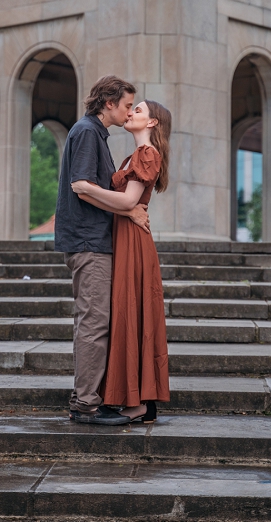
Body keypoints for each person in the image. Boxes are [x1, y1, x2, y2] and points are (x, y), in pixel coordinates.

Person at [55, 75, 150, 426]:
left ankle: (93, 399)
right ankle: (84, 406)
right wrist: (128, 209)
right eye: (127, 105)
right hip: (87, 242)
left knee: (97, 321)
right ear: (108, 103)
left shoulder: (95, 134)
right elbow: (81, 186)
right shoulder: (86, 132)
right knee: (93, 323)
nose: (129, 112)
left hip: (95, 241)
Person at [71, 99, 171, 423]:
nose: (131, 114)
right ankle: (133, 397)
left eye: (138, 110)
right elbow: (128, 203)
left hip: (134, 241)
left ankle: (141, 402)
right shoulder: (131, 156)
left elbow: (129, 199)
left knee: (133, 314)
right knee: (123, 315)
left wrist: (87, 189)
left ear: (152, 124)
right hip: (123, 236)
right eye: (131, 108)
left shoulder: (147, 154)